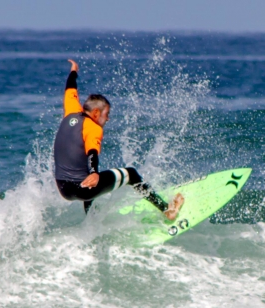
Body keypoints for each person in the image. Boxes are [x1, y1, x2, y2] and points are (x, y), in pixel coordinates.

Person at [53, 59, 184, 219]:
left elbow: (70, 88)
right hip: (82, 189)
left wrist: (73, 71)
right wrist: (94, 173)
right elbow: (92, 153)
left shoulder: (71, 110)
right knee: (131, 174)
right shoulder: (93, 128)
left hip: (64, 189)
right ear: (95, 113)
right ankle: (167, 210)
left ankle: (91, 223)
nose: (107, 119)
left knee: (87, 177)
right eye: (106, 114)